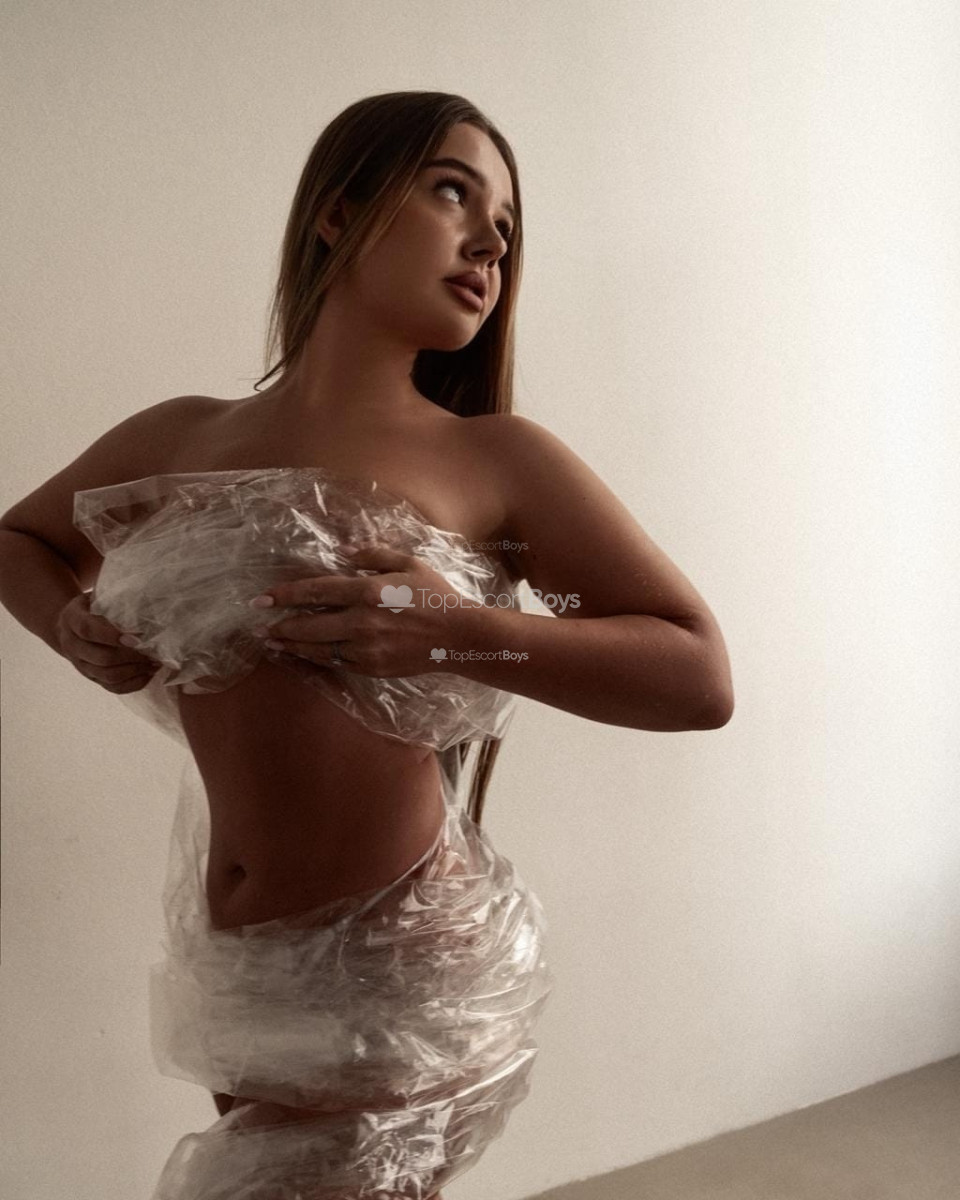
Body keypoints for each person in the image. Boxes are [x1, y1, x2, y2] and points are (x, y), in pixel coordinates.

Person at [0, 91, 734, 1200]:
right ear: (338, 213)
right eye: (453, 192)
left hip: (391, 956)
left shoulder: (496, 461)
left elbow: (697, 674)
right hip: (234, 960)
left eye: (506, 226)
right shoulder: (179, 438)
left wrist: (466, 634)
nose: (490, 242)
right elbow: (19, 541)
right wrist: (65, 623)